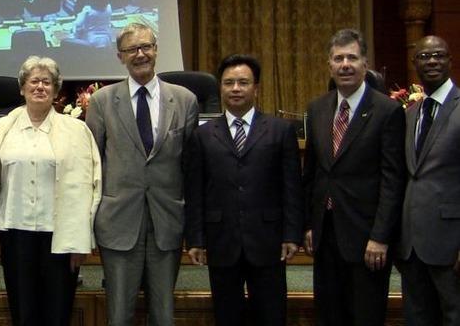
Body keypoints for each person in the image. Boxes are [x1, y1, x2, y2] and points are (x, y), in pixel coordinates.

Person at [84, 22, 199, 326]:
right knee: (119, 315)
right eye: (132, 49)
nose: (140, 54)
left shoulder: (185, 100)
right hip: (118, 222)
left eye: (146, 46)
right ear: (120, 56)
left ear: (156, 50)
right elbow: (92, 165)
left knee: (163, 315)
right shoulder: (102, 101)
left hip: (167, 221)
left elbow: (191, 167)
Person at [185, 54, 304, 326]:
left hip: (269, 241)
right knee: (227, 316)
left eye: (243, 82)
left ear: (256, 88)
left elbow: (291, 188)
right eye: (228, 83)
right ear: (220, 88)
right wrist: (195, 239)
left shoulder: (280, 131)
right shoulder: (202, 135)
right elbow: (195, 191)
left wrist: (291, 234)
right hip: (221, 240)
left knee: (271, 315)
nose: (235, 88)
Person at [0, 56, 101, 325]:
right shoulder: (2, 129)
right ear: (22, 88)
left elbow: (90, 188)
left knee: (57, 313)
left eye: (47, 82)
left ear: (56, 89)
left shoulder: (77, 130)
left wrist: (80, 240)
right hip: (15, 234)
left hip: (60, 237)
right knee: (23, 312)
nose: (40, 87)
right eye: (34, 81)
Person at [303, 28, 405, 326]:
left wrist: (380, 237)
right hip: (326, 235)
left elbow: (392, 181)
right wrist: (309, 224)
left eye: (352, 58)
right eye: (338, 59)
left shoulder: (387, 111)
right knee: (329, 315)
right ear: (329, 65)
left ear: (365, 64)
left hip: (367, 240)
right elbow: (312, 173)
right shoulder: (317, 108)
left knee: (365, 316)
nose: (345, 64)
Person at [396, 35, 460, 326]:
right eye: (424, 56)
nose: (432, 61)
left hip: (450, 243)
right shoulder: (411, 114)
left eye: (438, 55)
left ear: (450, 60)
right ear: (414, 63)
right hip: (411, 245)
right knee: (417, 317)